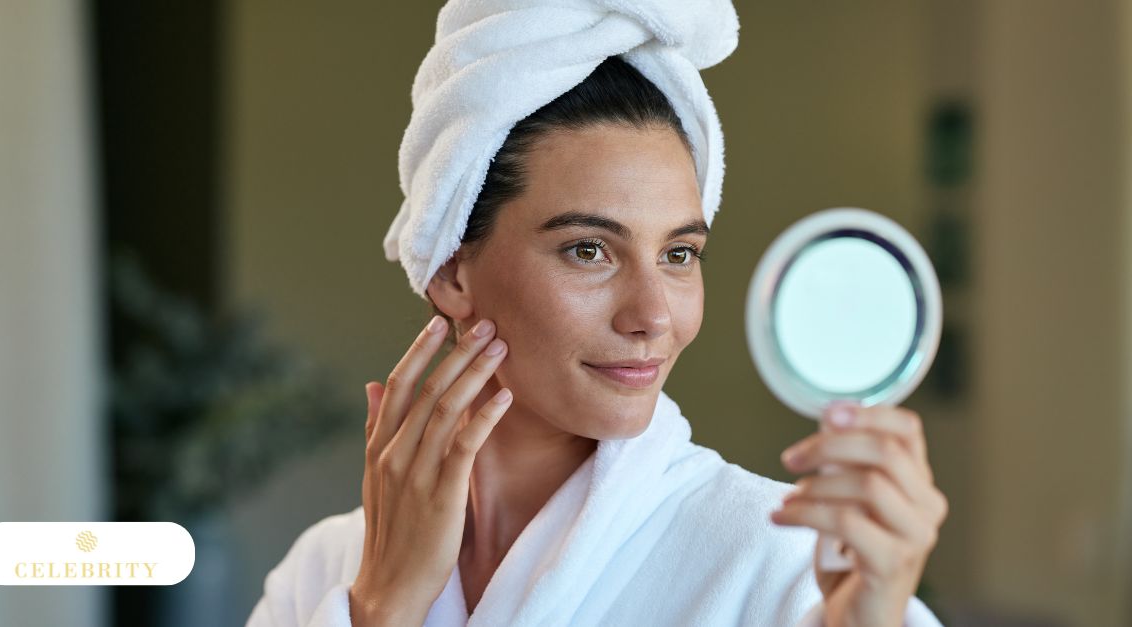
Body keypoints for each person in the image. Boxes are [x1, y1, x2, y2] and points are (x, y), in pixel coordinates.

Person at [247, 3, 948, 626]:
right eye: (589, 250)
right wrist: (383, 608)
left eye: (678, 254)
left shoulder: (784, 567)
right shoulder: (325, 571)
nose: (653, 316)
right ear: (453, 271)